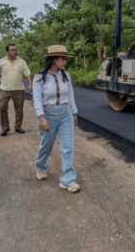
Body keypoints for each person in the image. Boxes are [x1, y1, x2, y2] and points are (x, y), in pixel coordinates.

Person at [33, 45, 80, 193]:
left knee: (68, 148)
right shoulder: (39, 77)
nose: (65, 61)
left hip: (65, 114)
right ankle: (41, 166)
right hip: (48, 115)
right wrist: (41, 117)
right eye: (62, 58)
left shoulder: (66, 75)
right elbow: (37, 99)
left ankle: (67, 180)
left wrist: (74, 113)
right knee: (46, 146)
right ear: (54, 60)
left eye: (65, 58)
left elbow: (70, 95)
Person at [0, 43, 32, 136]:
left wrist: (30, 84)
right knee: (2, 108)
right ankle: (5, 128)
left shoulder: (21, 62)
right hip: (4, 89)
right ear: (7, 51)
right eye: (12, 50)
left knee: (19, 109)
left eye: (16, 50)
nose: (15, 51)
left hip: (18, 89)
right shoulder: (1, 62)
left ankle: (18, 127)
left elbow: (28, 74)